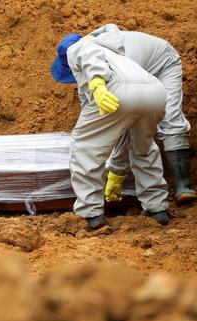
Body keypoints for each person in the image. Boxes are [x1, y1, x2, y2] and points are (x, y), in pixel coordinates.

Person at [51, 30, 170, 229]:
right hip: (156, 93)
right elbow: (120, 132)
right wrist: (117, 172)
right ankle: (157, 208)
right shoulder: (116, 55)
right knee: (143, 148)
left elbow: (87, 53)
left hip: (115, 89)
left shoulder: (77, 47)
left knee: (85, 148)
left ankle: (90, 213)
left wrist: (98, 83)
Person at [93, 24, 197, 205]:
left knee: (169, 116)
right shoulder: (95, 60)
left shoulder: (112, 65)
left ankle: (183, 186)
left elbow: (126, 122)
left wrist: (117, 171)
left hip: (164, 63)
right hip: (140, 71)